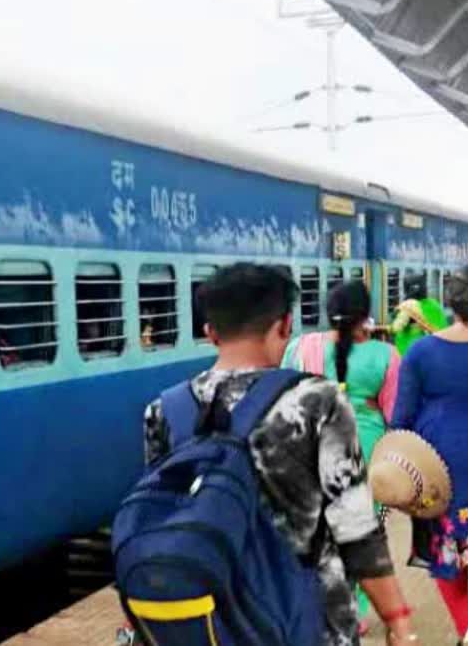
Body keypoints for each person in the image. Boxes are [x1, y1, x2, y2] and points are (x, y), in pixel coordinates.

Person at [143, 263, 415, 645]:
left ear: (209, 332)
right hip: (308, 621)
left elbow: (164, 516)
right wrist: (396, 616)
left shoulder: (163, 410)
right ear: (285, 326)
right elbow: (354, 525)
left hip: (209, 616)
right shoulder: (318, 403)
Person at [283, 280, 402, 632]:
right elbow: (396, 412)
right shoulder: (386, 356)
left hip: (309, 450)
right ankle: (358, 610)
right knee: (366, 531)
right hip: (367, 451)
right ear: (365, 316)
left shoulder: (300, 347)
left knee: (317, 531)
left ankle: (316, 604)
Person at [394, 266, 468, 644]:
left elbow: (401, 421)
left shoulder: (422, 351)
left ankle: (465, 629)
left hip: (439, 471)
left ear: (452, 303)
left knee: (448, 559)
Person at [393, 273, 448, 355]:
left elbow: (396, 328)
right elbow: (443, 329)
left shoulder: (406, 306)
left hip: (407, 355)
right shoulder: (434, 306)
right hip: (433, 354)